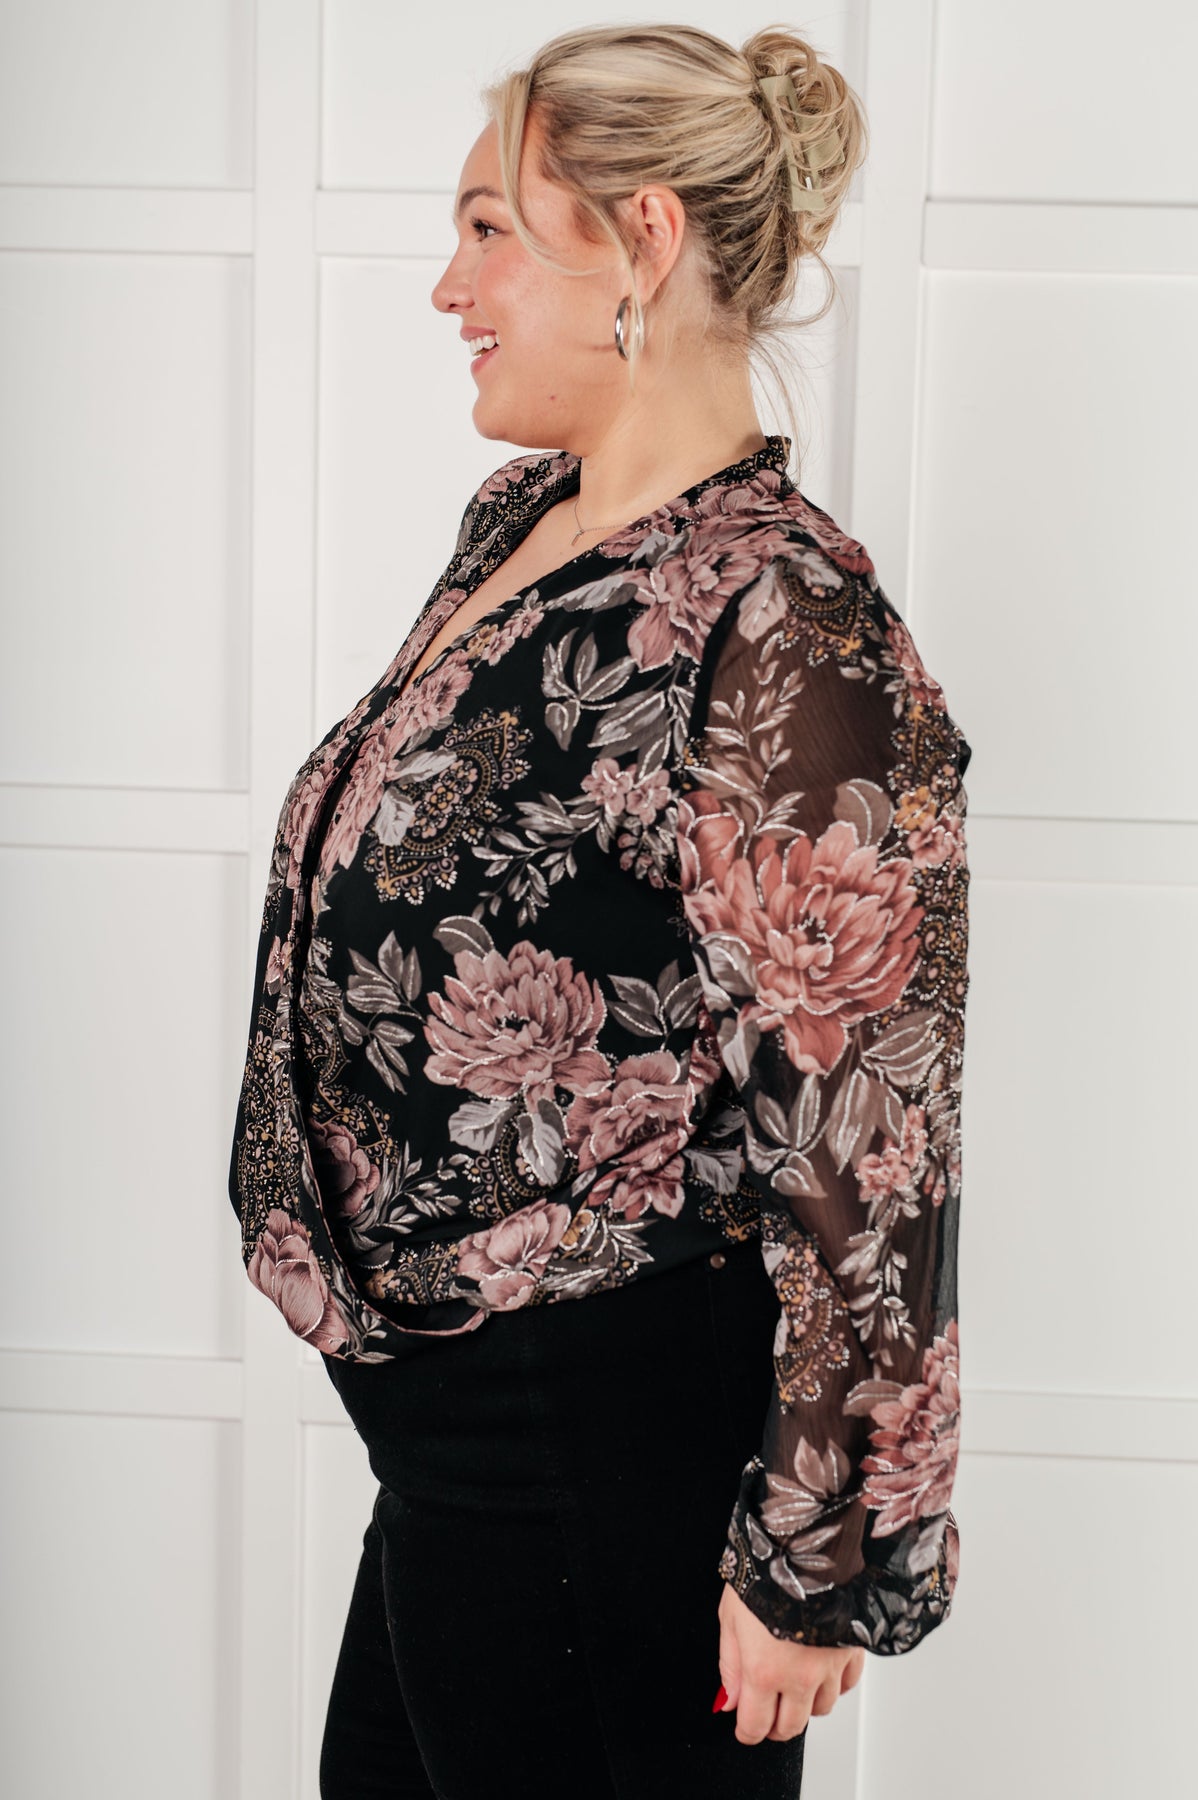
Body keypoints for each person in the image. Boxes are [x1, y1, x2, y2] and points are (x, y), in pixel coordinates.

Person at [226, 22, 971, 1800]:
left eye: (488, 229)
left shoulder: (783, 619)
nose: (447, 286)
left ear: (641, 240)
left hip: (606, 1416)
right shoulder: (524, 529)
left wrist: (813, 1554)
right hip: (457, 1428)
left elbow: (873, 1128)